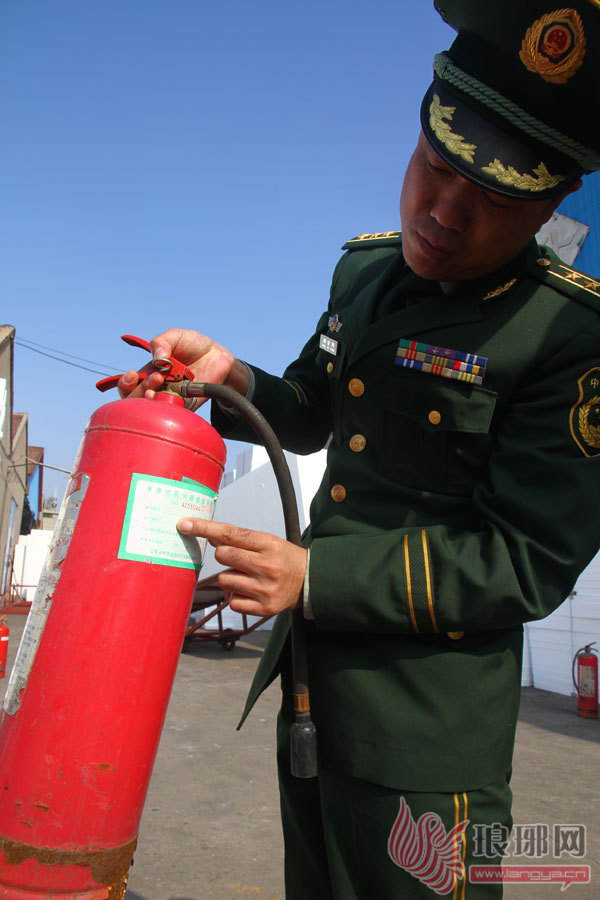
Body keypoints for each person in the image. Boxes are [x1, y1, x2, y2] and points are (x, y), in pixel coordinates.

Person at [120, 2, 600, 896]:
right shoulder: (364, 272)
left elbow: (526, 560)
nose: (443, 213)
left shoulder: (567, 337)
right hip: (314, 689)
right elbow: (312, 409)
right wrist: (227, 375)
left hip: (427, 730)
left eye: (495, 197)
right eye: (434, 166)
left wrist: (319, 578)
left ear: (554, 200)